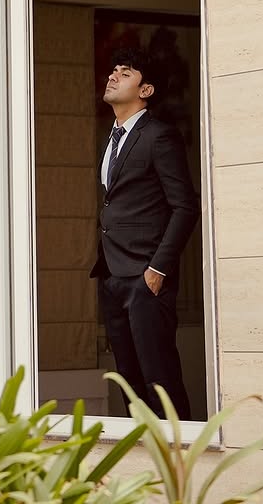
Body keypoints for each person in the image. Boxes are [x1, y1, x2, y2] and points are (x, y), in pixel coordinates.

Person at [90, 46, 200, 418]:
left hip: (145, 278)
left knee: (160, 380)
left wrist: (157, 270)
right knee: (130, 381)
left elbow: (185, 207)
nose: (113, 76)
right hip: (112, 274)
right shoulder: (112, 138)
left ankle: (179, 451)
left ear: (146, 90)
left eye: (125, 73)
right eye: (114, 70)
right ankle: (142, 449)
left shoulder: (158, 136)